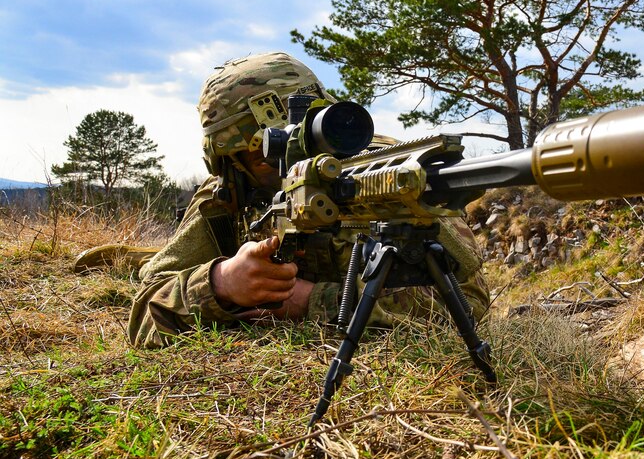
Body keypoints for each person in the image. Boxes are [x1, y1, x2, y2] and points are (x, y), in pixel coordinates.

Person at [127, 52, 489, 348]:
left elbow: (468, 302)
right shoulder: (225, 200)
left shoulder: (387, 175)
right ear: (229, 164)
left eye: (310, 144)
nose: (298, 168)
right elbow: (145, 313)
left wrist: (315, 302)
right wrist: (221, 283)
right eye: (270, 156)